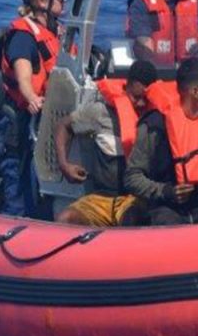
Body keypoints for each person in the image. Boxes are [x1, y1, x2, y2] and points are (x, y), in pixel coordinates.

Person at [124, 58, 198, 224]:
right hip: (164, 207)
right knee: (168, 225)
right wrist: (167, 191)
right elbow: (132, 177)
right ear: (195, 92)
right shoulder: (155, 125)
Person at [0, 0, 67, 217]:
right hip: (22, 117)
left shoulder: (58, 32)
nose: (64, 2)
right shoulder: (23, 36)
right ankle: (12, 222)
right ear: (41, 0)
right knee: (18, 179)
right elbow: (23, 74)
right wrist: (32, 98)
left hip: (49, 119)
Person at [53, 60, 158, 227]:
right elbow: (63, 125)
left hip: (133, 199)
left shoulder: (156, 119)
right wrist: (64, 165)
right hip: (99, 199)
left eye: (145, 99)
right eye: (136, 98)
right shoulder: (100, 112)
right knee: (65, 219)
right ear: (126, 87)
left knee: (132, 219)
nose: (140, 104)